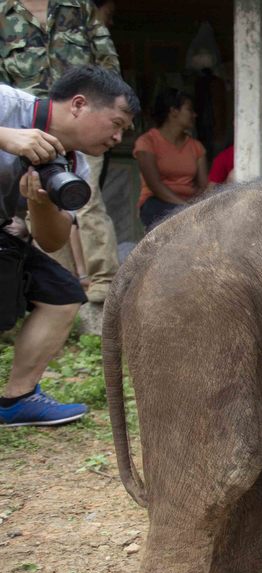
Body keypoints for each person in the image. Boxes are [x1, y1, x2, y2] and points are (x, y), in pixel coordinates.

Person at [0, 65, 138, 426]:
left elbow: (52, 239)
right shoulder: (7, 104)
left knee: (62, 294)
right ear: (79, 104)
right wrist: (5, 137)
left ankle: (18, 399)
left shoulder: (76, 165)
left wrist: (41, 203)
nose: (117, 138)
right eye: (116, 123)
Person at [1, 0, 122, 305]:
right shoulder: (4, 11)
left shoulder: (78, 6)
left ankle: (104, 280)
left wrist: (105, 112)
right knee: (34, 201)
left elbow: (107, 59)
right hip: (23, 124)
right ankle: (62, 277)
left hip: (80, 125)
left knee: (84, 197)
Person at [134, 88, 205, 232]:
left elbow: (203, 186)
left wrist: (196, 206)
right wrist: (185, 207)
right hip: (157, 202)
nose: (194, 115)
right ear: (174, 111)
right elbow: (155, 185)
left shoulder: (196, 146)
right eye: (190, 110)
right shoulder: (147, 142)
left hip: (189, 203)